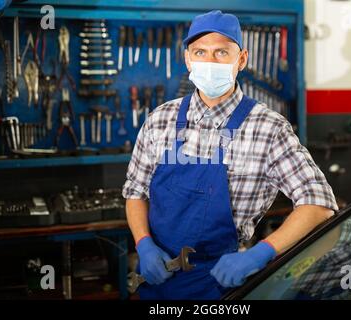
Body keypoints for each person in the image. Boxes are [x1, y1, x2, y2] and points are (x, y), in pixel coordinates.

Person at [122, 10, 338, 300]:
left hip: (223, 283)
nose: (209, 62)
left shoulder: (268, 128)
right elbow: (135, 192)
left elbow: (319, 202)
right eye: (200, 52)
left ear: (242, 59)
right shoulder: (160, 119)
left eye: (222, 52)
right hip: (160, 278)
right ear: (187, 59)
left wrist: (263, 252)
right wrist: (144, 244)